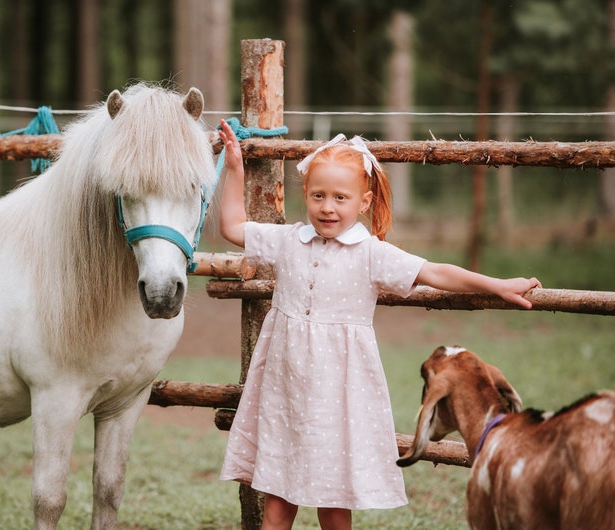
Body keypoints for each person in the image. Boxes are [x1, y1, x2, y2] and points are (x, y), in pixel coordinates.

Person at [216, 120, 541, 530]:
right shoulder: (288, 242)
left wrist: (496, 285)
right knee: (277, 501)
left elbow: (434, 272)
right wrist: (235, 169)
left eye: (340, 197)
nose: (328, 207)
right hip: (285, 393)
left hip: (338, 398)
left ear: (364, 202)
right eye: (318, 196)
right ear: (306, 196)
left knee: (333, 504)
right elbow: (232, 228)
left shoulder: (371, 254)